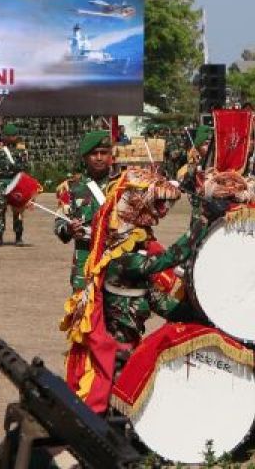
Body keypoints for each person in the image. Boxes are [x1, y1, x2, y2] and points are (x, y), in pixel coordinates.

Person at [61, 165, 218, 413]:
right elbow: (169, 259)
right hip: (119, 340)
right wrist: (201, 223)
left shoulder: (131, 249)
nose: (162, 210)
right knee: (118, 380)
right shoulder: (123, 258)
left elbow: (156, 300)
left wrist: (199, 315)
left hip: (131, 329)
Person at [54, 131, 117, 291]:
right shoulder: (70, 188)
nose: (99, 157)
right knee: (84, 314)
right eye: (94, 153)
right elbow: (60, 225)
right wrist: (69, 229)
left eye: (104, 153)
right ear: (85, 157)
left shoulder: (123, 185)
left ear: (111, 155)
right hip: (84, 264)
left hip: (117, 265)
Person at [0, 123, 29, 247]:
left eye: (14, 135)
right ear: (4, 136)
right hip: (2, 182)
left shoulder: (21, 148)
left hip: (16, 181)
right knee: (0, 210)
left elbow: (26, 165)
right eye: (10, 136)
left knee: (18, 211)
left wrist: (17, 168)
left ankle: (19, 237)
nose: (12, 138)